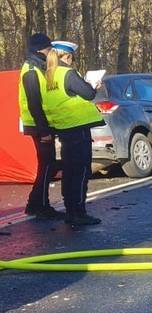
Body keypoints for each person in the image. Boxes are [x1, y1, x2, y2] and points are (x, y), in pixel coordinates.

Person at [42, 40, 103, 226]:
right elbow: (88, 94)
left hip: (63, 128)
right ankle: (78, 211)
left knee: (68, 170)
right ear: (67, 56)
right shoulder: (67, 73)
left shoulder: (47, 75)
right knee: (81, 170)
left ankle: (70, 210)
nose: (72, 61)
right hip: (78, 127)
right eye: (72, 58)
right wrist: (94, 85)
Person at [17, 33, 62, 220]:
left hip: (41, 124)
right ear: (39, 49)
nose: (51, 52)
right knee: (47, 165)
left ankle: (34, 204)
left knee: (47, 165)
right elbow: (34, 103)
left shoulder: (36, 67)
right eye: (48, 48)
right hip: (38, 126)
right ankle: (42, 206)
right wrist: (44, 131)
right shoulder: (31, 71)